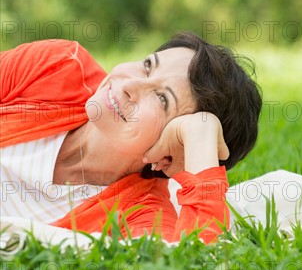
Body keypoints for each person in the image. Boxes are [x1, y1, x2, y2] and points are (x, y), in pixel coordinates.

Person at [0, 32, 262, 245]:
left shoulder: (143, 214)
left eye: (162, 99)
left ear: (173, 154)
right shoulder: (60, 66)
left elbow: (196, 263)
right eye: (148, 66)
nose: (128, 85)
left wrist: (200, 134)